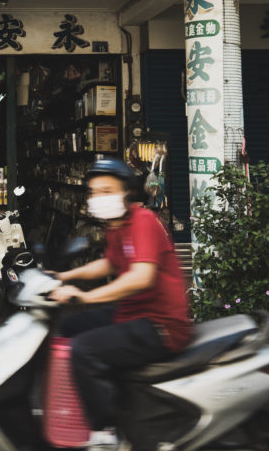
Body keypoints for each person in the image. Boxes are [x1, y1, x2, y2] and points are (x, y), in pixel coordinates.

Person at [48, 158, 193, 451]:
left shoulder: (143, 222)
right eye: (93, 192)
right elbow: (108, 264)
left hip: (161, 324)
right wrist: (63, 275)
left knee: (84, 350)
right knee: (70, 326)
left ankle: (105, 434)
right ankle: (105, 395)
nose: (97, 199)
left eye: (106, 191)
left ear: (125, 192)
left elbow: (140, 277)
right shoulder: (117, 226)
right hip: (134, 313)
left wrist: (84, 297)